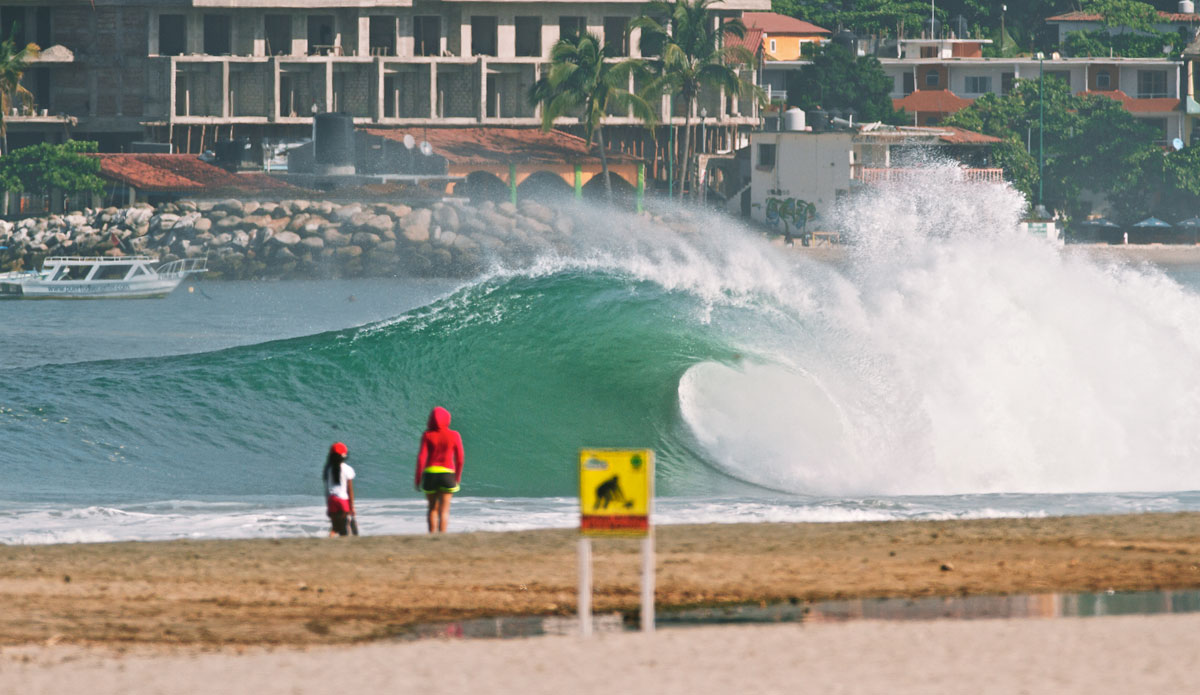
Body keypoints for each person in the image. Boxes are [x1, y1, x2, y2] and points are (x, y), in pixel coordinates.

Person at [414, 406, 464, 533]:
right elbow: (460, 459)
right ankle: (442, 537)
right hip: (447, 474)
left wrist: (418, 479)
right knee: (444, 509)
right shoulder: (455, 435)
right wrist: (457, 477)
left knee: (432, 509)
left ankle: (432, 536)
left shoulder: (427, 435)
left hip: (430, 474)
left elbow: (421, 458)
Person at [323, 441, 356, 537]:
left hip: (332, 500)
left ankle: (330, 540)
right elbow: (350, 490)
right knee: (344, 527)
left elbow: (327, 490)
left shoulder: (328, 470)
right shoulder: (347, 469)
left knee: (336, 527)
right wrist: (352, 507)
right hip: (343, 500)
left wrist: (328, 506)